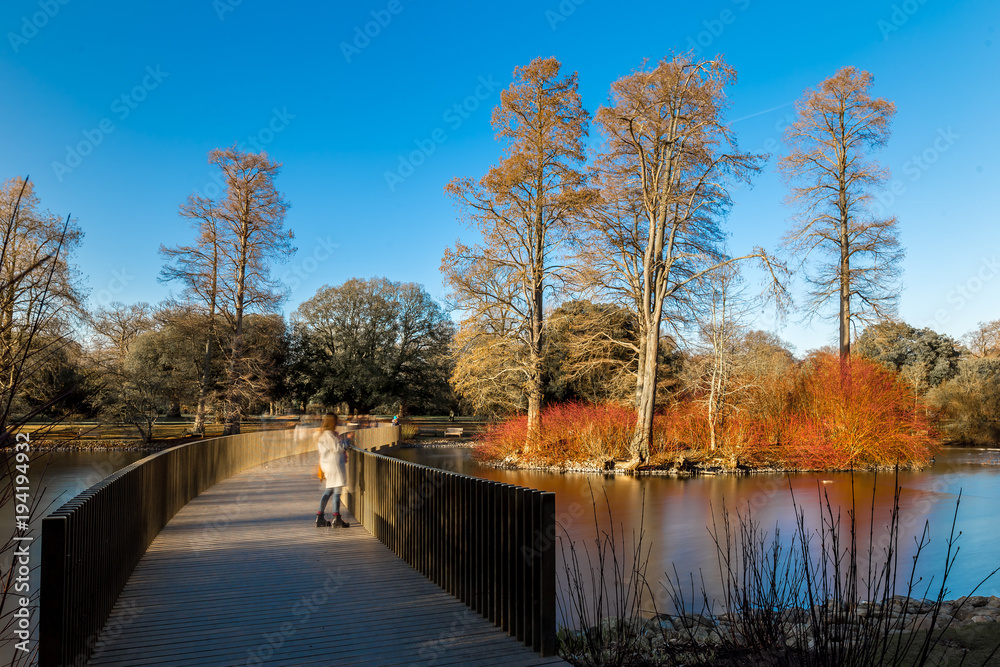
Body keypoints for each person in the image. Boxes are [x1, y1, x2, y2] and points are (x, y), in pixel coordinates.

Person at [316, 412, 351, 528]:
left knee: (328, 491)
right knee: (337, 492)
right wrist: (347, 441)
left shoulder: (322, 435)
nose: (338, 423)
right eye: (336, 421)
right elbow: (338, 448)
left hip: (328, 466)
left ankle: (320, 517)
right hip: (335, 466)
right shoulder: (329, 435)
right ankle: (336, 518)